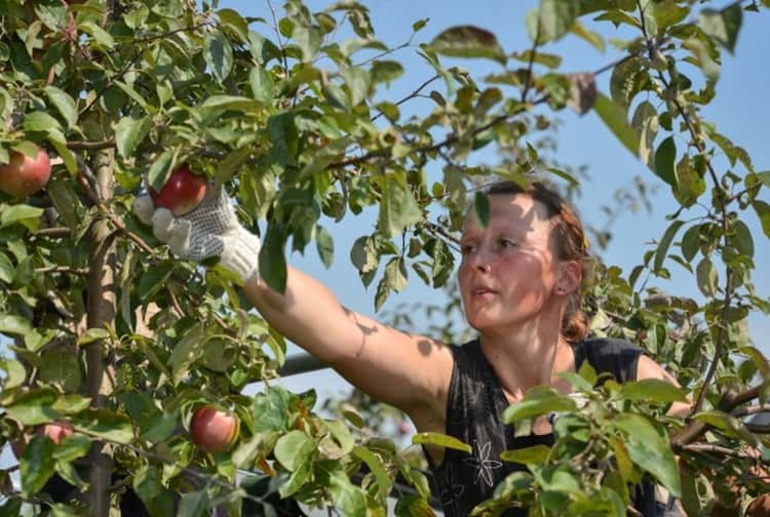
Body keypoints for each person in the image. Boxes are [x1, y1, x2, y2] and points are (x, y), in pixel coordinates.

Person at [133, 179, 690, 516]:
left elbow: (732, 471)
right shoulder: (452, 383)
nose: (477, 261)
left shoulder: (625, 375)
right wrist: (238, 250)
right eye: (469, 246)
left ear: (567, 278)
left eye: (504, 245)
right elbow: (340, 331)